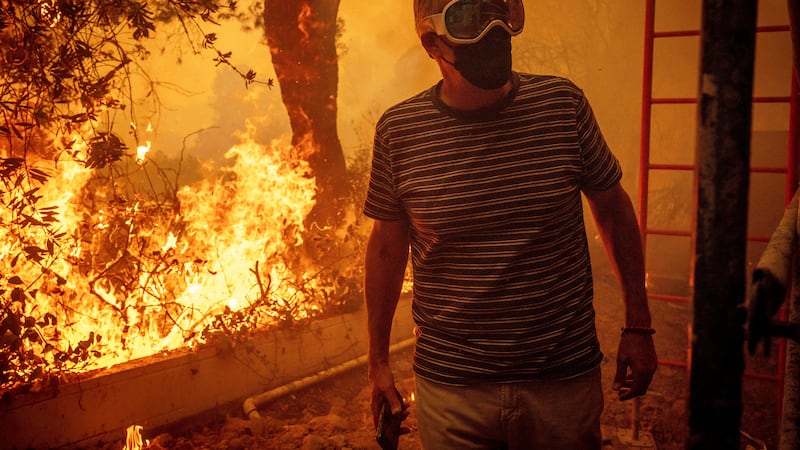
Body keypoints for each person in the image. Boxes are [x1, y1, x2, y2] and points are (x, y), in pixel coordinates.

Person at [363, 1, 658, 448]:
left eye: (501, 11)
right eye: (469, 19)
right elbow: (387, 247)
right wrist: (378, 361)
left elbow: (613, 210)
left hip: (562, 381)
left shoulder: (563, 105)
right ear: (431, 43)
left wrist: (638, 324)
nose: (495, 30)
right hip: (453, 390)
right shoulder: (400, 131)